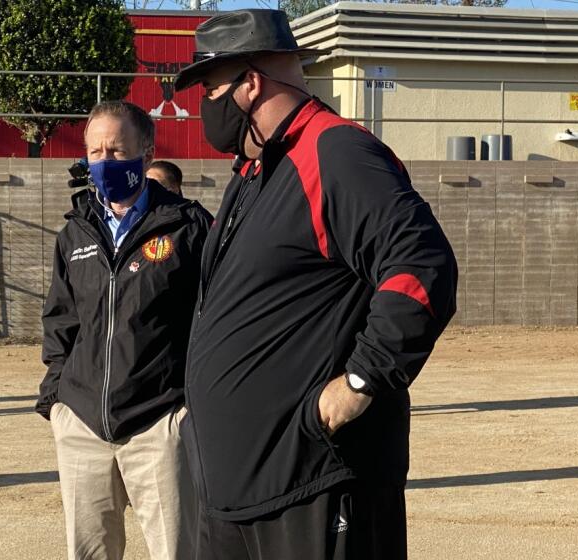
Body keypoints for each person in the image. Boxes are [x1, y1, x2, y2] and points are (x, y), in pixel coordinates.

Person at [174, 9, 458, 560]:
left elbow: (422, 267)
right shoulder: (256, 171)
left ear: (250, 83)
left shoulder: (335, 152)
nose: (204, 107)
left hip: (312, 486)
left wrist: (359, 382)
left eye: (209, 89)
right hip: (231, 491)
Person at [35, 100, 211, 560]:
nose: (105, 162)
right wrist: (57, 400)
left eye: (116, 150)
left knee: (178, 552)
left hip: (160, 423)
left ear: (147, 155)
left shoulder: (188, 227)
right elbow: (61, 319)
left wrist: (190, 405)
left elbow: (213, 319)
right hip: (82, 425)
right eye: (95, 152)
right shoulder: (75, 233)